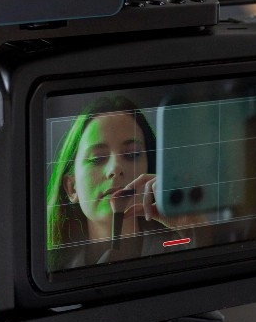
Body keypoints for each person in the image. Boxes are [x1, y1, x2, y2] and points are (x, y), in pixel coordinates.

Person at [45, 95, 206, 271]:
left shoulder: (184, 249)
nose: (116, 168)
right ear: (71, 188)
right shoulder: (53, 270)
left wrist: (197, 231)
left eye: (132, 154)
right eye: (97, 158)